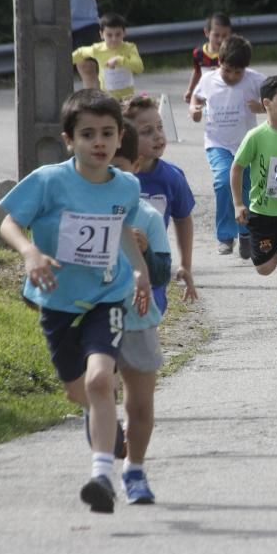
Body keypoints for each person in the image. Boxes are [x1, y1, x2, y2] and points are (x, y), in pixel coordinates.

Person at [0, 89, 151, 513]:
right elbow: (9, 222)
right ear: (69, 140)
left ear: (121, 138)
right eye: (87, 134)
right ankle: (105, 423)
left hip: (108, 297)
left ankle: (101, 476)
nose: (98, 142)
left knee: (100, 379)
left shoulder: (127, 186)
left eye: (106, 133)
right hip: (58, 301)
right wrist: (29, 253)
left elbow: (120, 229)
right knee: (77, 392)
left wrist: (139, 271)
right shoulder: (49, 181)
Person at [108, 120, 168, 504]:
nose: (110, 174)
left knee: (141, 403)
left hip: (139, 318)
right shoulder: (74, 208)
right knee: (96, 387)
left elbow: (162, 272)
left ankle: (136, 470)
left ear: (134, 166)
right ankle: (101, 422)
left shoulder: (145, 214)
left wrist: (144, 251)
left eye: (119, 165)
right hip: (93, 313)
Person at [230, 75, 277, 329]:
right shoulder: (256, 136)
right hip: (261, 212)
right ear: (267, 103)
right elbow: (237, 168)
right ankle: (252, 240)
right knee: (266, 268)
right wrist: (238, 203)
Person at [189, 34, 264, 257]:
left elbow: (274, 100)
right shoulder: (208, 80)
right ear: (219, 62)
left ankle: (246, 234)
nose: (232, 76)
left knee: (246, 188)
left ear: (246, 69)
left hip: (246, 144)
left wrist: (260, 107)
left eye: (237, 72)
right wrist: (194, 110)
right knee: (223, 183)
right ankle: (225, 236)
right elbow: (196, 98)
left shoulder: (254, 80)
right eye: (227, 70)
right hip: (217, 143)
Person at [122, 96, 198, 309]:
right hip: (115, 265)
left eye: (159, 127)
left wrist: (185, 264)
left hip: (152, 264)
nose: (158, 136)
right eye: (146, 131)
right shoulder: (115, 174)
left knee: (149, 311)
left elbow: (183, 219)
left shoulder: (172, 177)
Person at [71, 12, 144, 100]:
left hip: (127, 98)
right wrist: (64, 62)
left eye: (118, 34)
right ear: (102, 35)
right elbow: (81, 52)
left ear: (124, 33)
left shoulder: (129, 48)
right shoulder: (97, 49)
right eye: (109, 35)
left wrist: (119, 60)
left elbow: (139, 68)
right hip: (107, 99)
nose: (114, 39)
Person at [183, 12, 232, 103]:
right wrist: (190, 90)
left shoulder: (231, 53)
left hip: (227, 97)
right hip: (207, 97)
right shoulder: (199, 53)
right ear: (207, 32)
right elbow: (197, 72)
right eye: (216, 35)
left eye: (225, 35)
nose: (220, 39)